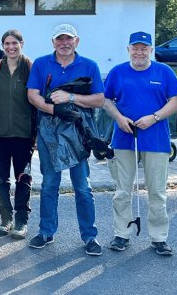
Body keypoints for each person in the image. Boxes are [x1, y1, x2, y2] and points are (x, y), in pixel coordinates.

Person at [26, 23, 105, 256]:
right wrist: (54, 110)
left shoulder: (89, 66)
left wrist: (71, 96)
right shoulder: (41, 64)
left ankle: (90, 236)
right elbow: (32, 95)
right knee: (50, 184)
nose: (64, 43)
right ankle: (46, 232)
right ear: (53, 43)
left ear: (76, 41)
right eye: (59, 39)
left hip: (78, 134)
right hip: (49, 133)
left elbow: (99, 100)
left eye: (68, 39)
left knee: (82, 187)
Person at [103, 31, 177, 256]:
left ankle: (159, 237)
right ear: (128, 49)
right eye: (135, 48)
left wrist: (154, 117)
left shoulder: (164, 71)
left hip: (156, 140)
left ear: (151, 49)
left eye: (144, 48)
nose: (139, 52)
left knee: (157, 192)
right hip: (124, 139)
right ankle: (122, 233)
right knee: (122, 191)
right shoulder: (118, 72)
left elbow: (175, 102)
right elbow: (106, 101)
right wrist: (119, 118)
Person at [0, 29, 35, 240]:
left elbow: (38, 102)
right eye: (6, 44)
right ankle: (6, 218)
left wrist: (36, 134)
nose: (11, 47)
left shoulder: (31, 68)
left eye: (14, 43)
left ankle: (21, 220)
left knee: (23, 178)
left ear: (22, 43)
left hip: (24, 134)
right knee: (0, 178)